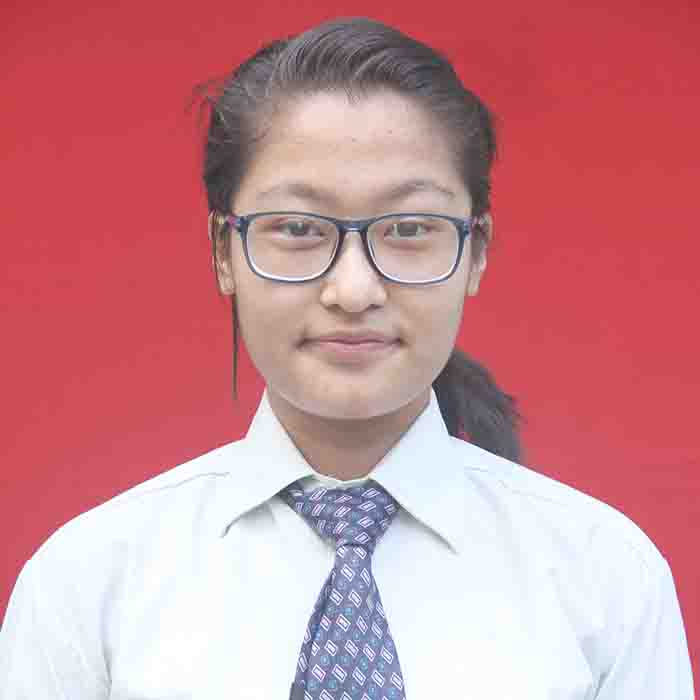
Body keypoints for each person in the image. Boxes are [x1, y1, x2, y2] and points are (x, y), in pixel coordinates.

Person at [0, 17, 694, 700]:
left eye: (410, 228)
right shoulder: (89, 585)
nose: (354, 290)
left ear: (476, 251)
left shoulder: (605, 580)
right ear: (223, 252)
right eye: (298, 228)